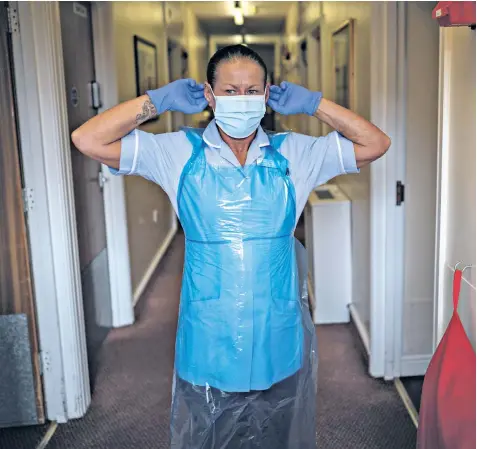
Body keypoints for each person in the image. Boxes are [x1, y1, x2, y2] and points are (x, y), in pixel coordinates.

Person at [72, 45, 390, 449]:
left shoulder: (296, 152)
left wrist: (314, 104)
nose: (242, 101)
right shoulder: (176, 152)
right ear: (209, 95)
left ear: (268, 94)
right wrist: (157, 101)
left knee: (277, 435)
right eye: (231, 91)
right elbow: (87, 139)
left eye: (252, 91)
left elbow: (376, 143)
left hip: (277, 329)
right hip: (209, 334)